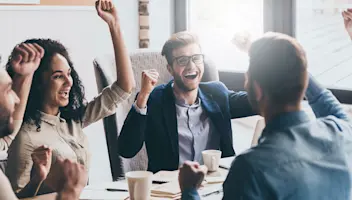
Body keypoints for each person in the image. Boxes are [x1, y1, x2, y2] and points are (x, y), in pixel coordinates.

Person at [179, 32, 352, 200]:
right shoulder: (342, 132)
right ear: (303, 81)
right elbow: (321, 97)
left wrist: (189, 190)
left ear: (258, 90)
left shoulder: (250, 168)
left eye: (246, 79)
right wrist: (277, 59)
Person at [5, 0, 135, 196]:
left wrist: (114, 25)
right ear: (38, 82)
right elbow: (15, 196)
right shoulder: (24, 136)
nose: (69, 82)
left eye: (69, 74)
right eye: (58, 76)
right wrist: (41, 179)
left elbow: (124, 88)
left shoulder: (72, 119)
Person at [118, 31, 255, 173]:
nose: (191, 66)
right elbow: (126, 149)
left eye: (196, 58)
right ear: (170, 69)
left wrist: (254, 52)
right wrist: (143, 96)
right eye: (183, 60)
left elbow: (260, 100)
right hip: (170, 189)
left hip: (214, 186)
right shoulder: (154, 99)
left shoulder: (217, 94)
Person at [0, 67, 88, 200]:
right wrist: (67, 194)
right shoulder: (25, 137)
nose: (17, 100)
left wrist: (37, 180)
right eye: (8, 90)